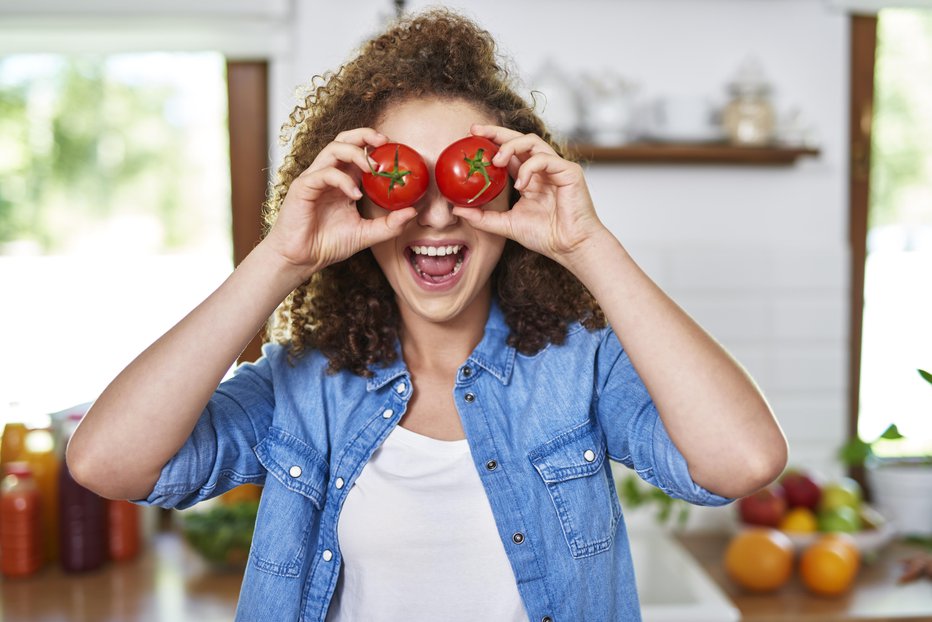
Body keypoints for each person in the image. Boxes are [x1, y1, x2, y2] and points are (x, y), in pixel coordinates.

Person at [67, 8, 787, 622]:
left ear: (508, 196)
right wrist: (281, 258)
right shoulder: (304, 385)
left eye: (465, 173)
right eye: (402, 177)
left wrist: (587, 246)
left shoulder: (580, 370)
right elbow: (108, 462)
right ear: (358, 196)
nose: (437, 212)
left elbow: (743, 462)